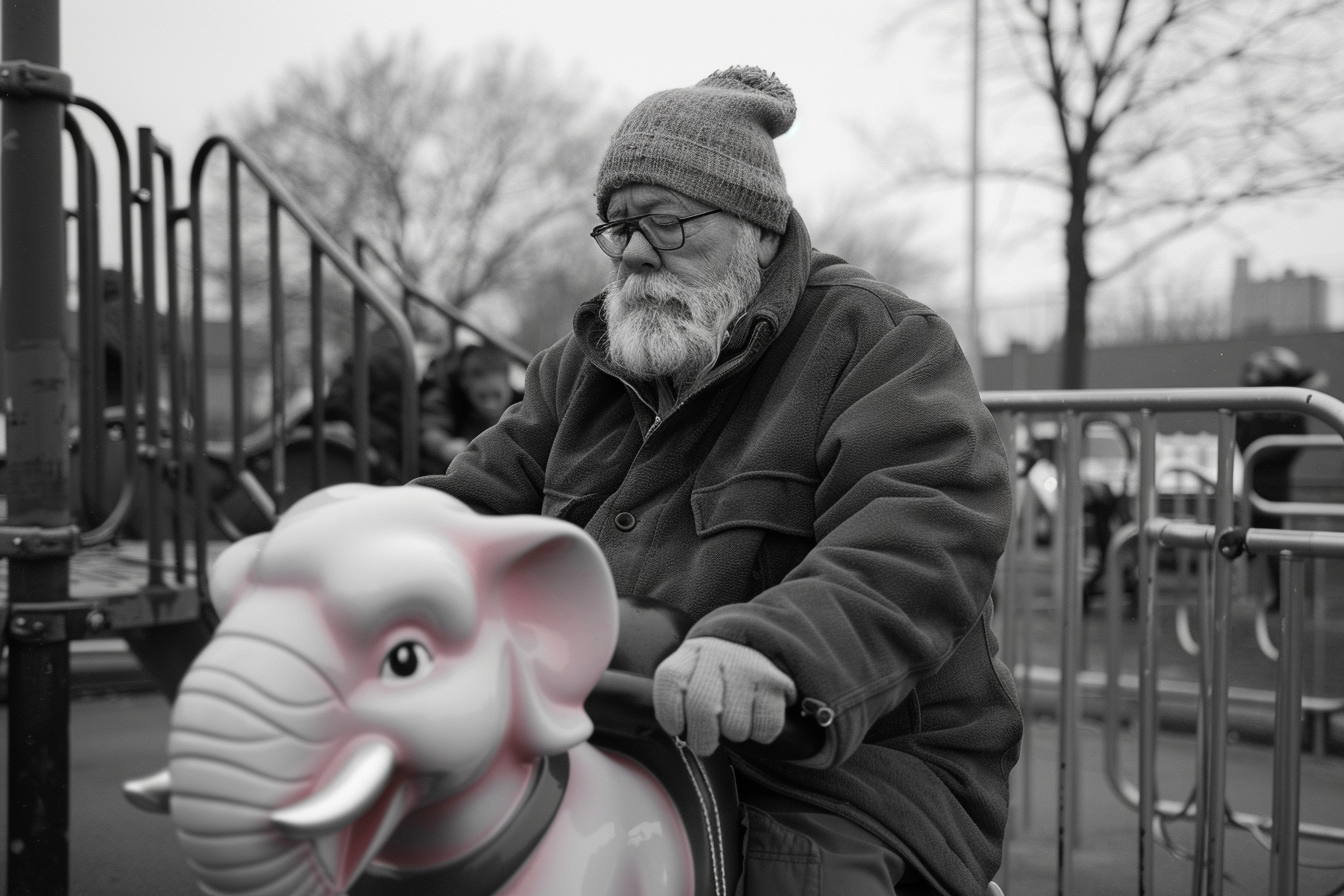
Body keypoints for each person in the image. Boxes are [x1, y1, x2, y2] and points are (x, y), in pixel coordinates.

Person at [411, 66, 1019, 896]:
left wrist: (770, 651)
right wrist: (345, 552)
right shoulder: (578, 369)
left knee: (796, 879)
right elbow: (474, 502)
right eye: (617, 226)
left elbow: (923, 528)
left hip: (841, 764)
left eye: (665, 224)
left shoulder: (879, 342)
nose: (632, 254)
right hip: (598, 730)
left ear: (758, 230)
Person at [1235, 346, 1329, 612]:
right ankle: (1234, 591)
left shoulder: (1283, 385)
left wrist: (1282, 360)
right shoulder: (1255, 391)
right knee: (1253, 536)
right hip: (1258, 469)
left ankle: (1281, 597)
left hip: (1272, 471)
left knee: (1271, 538)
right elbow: (1245, 435)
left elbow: (1314, 377)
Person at [419, 343, 522, 470]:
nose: (490, 405)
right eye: (482, 396)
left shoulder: (523, 405)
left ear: (508, 384)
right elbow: (431, 431)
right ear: (466, 385)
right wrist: (446, 446)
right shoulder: (450, 399)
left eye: (497, 395)